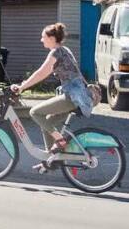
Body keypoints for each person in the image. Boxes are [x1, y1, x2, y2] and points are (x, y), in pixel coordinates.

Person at [11, 22, 95, 162]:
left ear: (51, 38)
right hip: (78, 96)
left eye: (43, 36)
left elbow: (41, 73)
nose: (41, 39)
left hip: (72, 97)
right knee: (47, 122)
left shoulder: (56, 52)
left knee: (35, 112)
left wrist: (22, 87)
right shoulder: (65, 50)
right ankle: (52, 159)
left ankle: (61, 142)